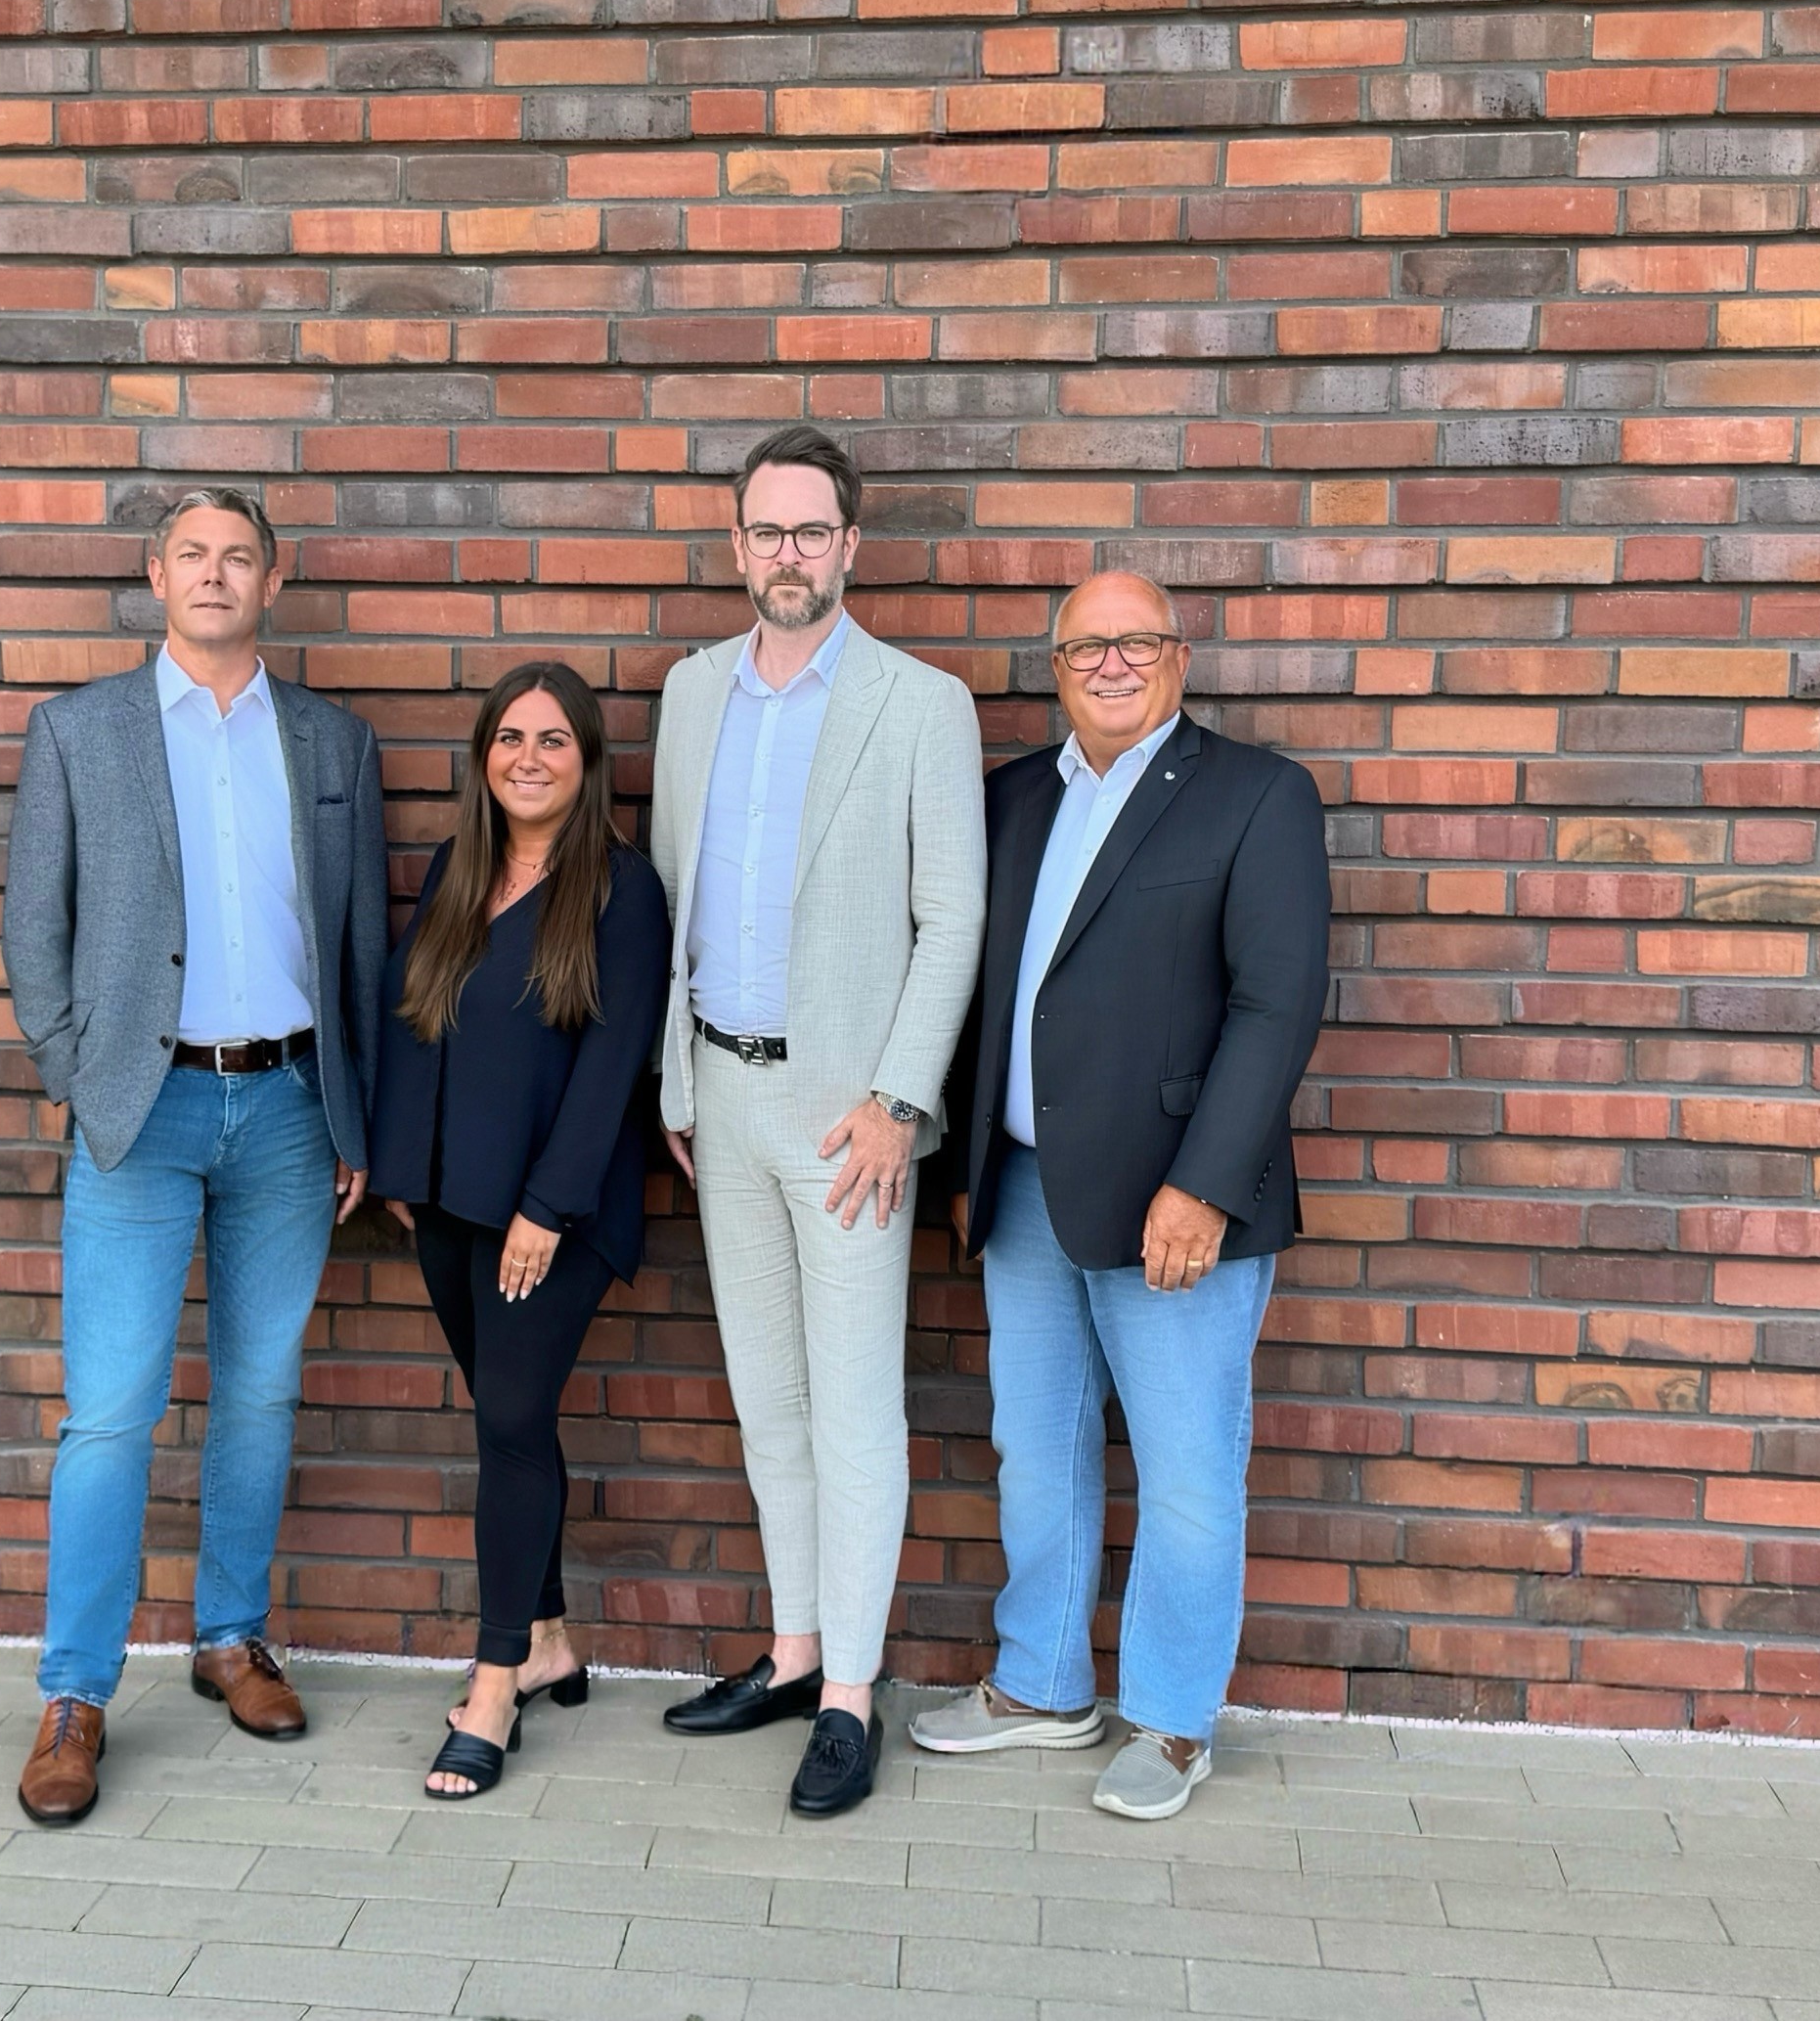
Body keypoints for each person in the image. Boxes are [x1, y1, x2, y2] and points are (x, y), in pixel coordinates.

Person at [912, 570, 1329, 1821]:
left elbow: (1276, 1004)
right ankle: (1042, 1685)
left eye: (1135, 642)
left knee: (1188, 1468)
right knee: (1035, 1452)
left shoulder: (1256, 794)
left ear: (1179, 657)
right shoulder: (1013, 799)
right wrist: (967, 1169)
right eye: (1085, 646)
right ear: (1054, 666)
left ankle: (1171, 1721)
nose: (1110, 664)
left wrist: (1203, 1187)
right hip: (1025, 1194)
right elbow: (984, 990)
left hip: (1175, 1205)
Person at [0, 486, 386, 1825]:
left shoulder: (333, 740)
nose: (215, 574)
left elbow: (359, 944)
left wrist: (353, 1115)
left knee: (262, 1392)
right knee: (112, 1409)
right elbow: (33, 932)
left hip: (289, 1111)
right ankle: (74, 1694)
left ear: (273, 582)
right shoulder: (78, 731)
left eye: (239, 557)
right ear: (156, 576)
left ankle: (231, 1637)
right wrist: (81, 1076)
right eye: (192, 554)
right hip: (140, 1116)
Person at [646, 425, 986, 1818]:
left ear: (850, 545)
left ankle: (850, 1692)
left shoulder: (922, 704)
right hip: (721, 1100)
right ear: (737, 547)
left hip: (851, 1119)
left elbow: (951, 917)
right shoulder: (691, 693)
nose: (787, 555)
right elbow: (671, 894)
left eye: (811, 531)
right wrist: (674, 1079)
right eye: (765, 532)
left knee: (852, 1411)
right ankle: (792, 1653)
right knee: (768, 1397)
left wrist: (901, 1101)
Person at [369, 663, 670, 1802]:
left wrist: (547, 1209)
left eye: (553, 740)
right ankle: (548, 1639)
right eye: (509, 737)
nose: (528, 758)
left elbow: (613, 1066)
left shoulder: (622, 891)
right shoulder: (461, 864)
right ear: (482, 755)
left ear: (588, 761)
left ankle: (494, 1687)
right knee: (513, 1422)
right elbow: (415, 1015)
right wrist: (404, 1169)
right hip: (448, 1201)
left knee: (507, 1422)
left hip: (555, 1212)